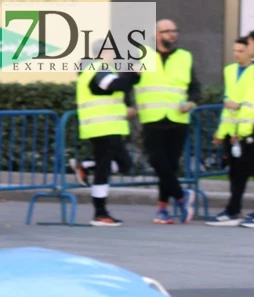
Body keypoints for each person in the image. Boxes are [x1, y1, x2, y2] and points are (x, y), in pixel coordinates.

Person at [206, 29, 254, 228]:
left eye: (248, 44)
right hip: (246, 133)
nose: (245, 48)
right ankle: (233, 210)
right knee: (239, 173)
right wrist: (238, 132)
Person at [136, 19, 199, 225]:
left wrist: (191, 102)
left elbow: (195, 88)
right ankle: (182, 196)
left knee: (170, 166)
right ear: (156, 34)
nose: (172, 34)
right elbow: (127, 81)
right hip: (152, 118)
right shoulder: (141, 55)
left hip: (178, 118)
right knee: (157, 161)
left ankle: (162, 209)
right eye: (167, 31)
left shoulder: (185, 57)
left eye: (175, 30)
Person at [74, 43, 139, 226]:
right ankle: (100, 213)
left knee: (124, 164)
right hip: (101, 128)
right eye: (111, 51)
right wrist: (134, 74)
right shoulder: (96, 67)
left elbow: (113, 90)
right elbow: (113, 85)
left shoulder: (104, 68)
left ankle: (86, 165)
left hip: (111, 127)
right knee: (104, 170)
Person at [212, 37, 254, 220]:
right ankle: (234, 207)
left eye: (241, 51)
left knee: (241, 172)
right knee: (233, 172)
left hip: (245, 129)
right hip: (229, 129)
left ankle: (233, 208)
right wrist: (221, 132)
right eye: (235, 50)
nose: (236, 54)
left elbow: (250, 103)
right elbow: (227, 105)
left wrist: (239, 130)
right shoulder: (229, 70)